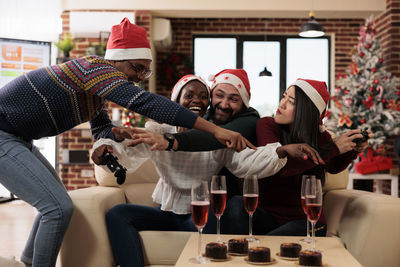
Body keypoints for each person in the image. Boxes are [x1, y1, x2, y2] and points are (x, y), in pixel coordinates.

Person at [0, 18, 248, 267]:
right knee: (58, 208)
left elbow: (101, 129)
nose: (139, 77)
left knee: (53, 204)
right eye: (137, 68)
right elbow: (147, 103)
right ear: (115, 60)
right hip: (3, 134)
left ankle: (28, 262)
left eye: (145, 71)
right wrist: (216, 130)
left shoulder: (96, 92)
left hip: (19, 138)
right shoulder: (93, 69)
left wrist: (114, 134)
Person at [92, 75, 324, 267]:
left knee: (226, 216)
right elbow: (127, 153)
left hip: (202, 215)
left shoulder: (217, 138)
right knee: (117, 214)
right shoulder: (156, 130)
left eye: (203, 97)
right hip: (168, 212)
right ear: (176, 101)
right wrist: (104, 151)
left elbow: (248, 163)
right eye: (189, 95)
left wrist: (281, 151)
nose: (197, 100)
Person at [223, 78, 371, 236]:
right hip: (265, 215)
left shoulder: (321, 137)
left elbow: (333, 166)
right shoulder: (267, 125)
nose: (282, 104)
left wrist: (351, 149)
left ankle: (257, 248)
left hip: (305, 220)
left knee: (273, 243)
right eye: (284, 96)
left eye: (291, 101)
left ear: (306, 111)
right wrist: (332, 148)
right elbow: (281, 167)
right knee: (236, 204)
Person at [126, 69, 262, 196]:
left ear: (243, 103)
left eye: (233, 99)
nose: (224, 104)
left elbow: (212, 137)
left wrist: (168, 141)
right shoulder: (206, 117)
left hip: (238, 195)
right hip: (210, 195)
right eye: (219, 96)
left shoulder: (249, 119)